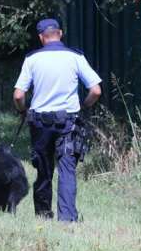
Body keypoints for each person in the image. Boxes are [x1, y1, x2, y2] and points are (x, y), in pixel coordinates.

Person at [13, 18, 102, 221]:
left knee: (43, 170)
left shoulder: (32, 59)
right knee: (67, 170)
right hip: (68, 123)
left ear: (41, 37)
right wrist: (84, 105)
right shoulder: (75, 57)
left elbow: (18, 95)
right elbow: (96, 90)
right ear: (60, 34)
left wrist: (22, 111)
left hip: (39, 124)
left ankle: (43, 215)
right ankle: (68, 219)